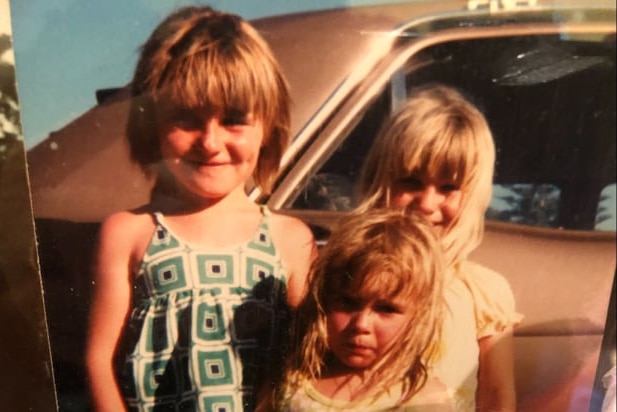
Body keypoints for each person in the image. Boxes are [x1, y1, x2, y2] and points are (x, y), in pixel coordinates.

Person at [85, 6, 315, 411]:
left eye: (233, 120)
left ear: (268, 128)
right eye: (187, 119)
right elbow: (99, 362)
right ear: (152, 126)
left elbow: (303, 367)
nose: (210, 142)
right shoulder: (128, 232)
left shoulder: (290, 239)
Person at [356, 84, 523, 411]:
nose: (426, 203)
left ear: (472, 193)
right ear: (382, 179)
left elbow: (497, 398)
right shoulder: (350, 276)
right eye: (411, 182)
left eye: (448, 188)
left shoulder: (483, 294)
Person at [267, 209, 452, 411]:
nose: (361, 324)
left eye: (386, 309)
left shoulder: (421, 398)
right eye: (348, 303)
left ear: (419, 314)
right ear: (323, 298)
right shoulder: (293, 379)